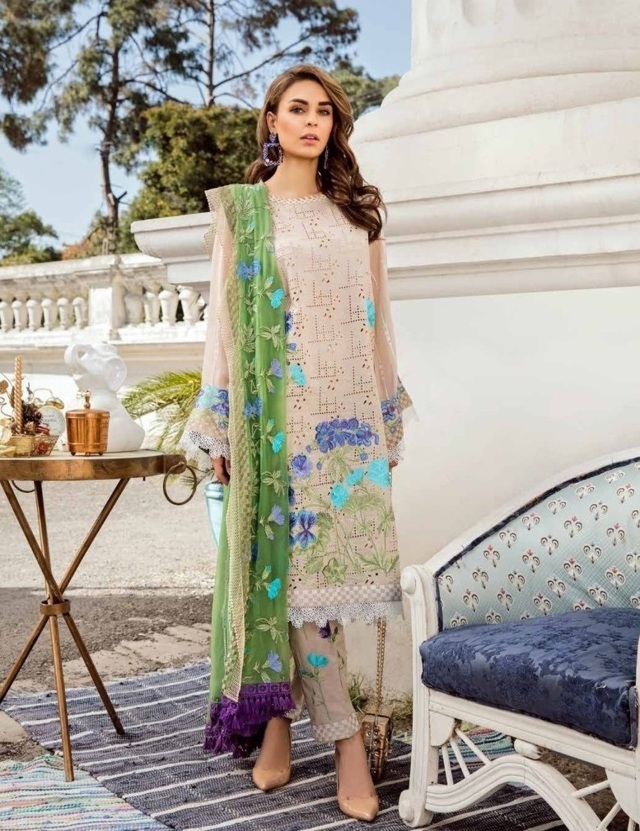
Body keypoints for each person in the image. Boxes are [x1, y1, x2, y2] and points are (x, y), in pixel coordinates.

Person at [181, 63, 411, 823]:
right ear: (272, 122)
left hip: (342, 429)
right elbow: (222, 326)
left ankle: (279, 719)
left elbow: (377, 324)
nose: (312, 121)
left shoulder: (357, 216)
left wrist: (384, 418)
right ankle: (344, 743)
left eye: (324, 112)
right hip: (268, 425)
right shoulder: (244, 214)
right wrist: (217, 421)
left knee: (311, 589)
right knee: (284, 581)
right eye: (297, 109)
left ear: (334, 126)